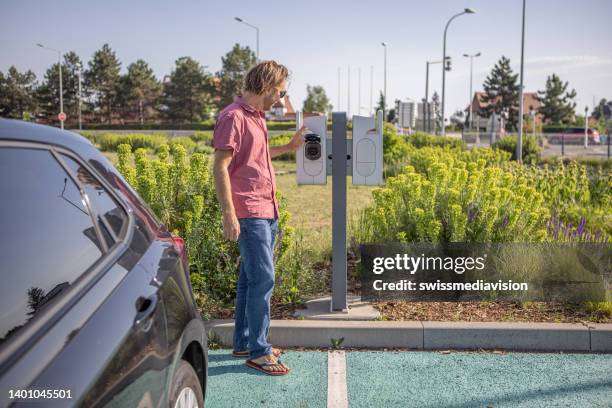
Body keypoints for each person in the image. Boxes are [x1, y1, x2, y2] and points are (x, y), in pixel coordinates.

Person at [212, 60, 306, 376]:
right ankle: (260, 352)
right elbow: (220, 167)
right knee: (264, 279)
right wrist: (229, 215)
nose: (281, 99)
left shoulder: (257, 118)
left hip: (267, 210)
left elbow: (258, 154)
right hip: (249, 212)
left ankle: (244, 341)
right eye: (280, 92)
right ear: (266, 87)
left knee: (248, 281)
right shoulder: (233, 117)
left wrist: (291, 147)